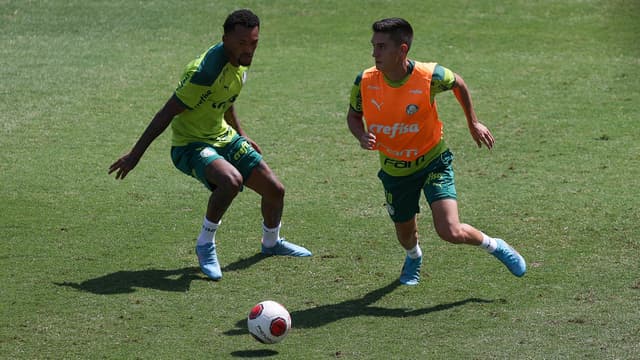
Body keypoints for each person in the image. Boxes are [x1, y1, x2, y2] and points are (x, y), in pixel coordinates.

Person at [109, 9, 311, 281]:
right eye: (242, 43)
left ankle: (271, 243)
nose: (249, 50)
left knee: (275, 190)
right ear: (225, 38)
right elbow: (165, 114)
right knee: (231, 181)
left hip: (223, 137)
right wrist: (135, 155)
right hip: (189, 145)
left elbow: (226, 99)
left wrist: (241, 134)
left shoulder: (240, 62)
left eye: (254, 43)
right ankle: (205, 243)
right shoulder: (203, 73)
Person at [346, 18, 526, 285]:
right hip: (395, 172)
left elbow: (458, 84)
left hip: (433, 162)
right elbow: (353, 116)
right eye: (373, 46)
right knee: (405, 235)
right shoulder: (365, 80)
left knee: (450, 230)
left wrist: (473, 122)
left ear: (402, 50)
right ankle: (414, 257)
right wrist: (361, 135)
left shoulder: (430, 77)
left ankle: (494, 245)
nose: (375, 53)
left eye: (382, 47)